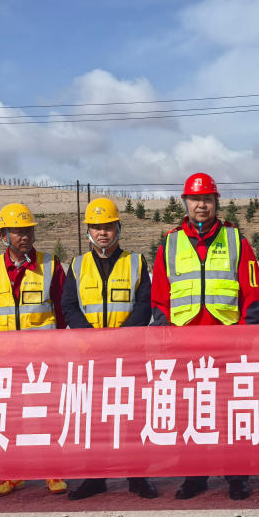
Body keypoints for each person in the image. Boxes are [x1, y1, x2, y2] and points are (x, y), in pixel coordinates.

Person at [150, 173, 259, 501]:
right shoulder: (169, 244)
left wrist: (243, 340)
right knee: (191, 412)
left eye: (207, 199)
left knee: (233, 411)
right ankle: (195, 475)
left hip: (229, 349)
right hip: (186, 350)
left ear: (216, 202)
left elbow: (255, 297)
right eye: (195, 199)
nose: (201, 205)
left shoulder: (236, 241)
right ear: (185, 203)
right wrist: (168, 338)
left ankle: (237, 476)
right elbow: (159, 299)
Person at [61, 198, 159, 501]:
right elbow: (69, 306)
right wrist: (92, 338)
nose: (102, 232)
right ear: (88, 230)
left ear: (118, 228)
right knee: (95, 419)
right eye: (96, 227)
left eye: (108, 226)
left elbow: (145, 304)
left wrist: (122, 338)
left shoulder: (136, 262)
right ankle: (95, 478)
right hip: (91, 357)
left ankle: (138, 477)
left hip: (129, 356)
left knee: (132, 417)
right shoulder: (77, 266)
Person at [0, 202, 69, 497]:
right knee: (9, 416)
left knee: (45, 415)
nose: (25, 236)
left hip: (42, 360)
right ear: (3, 235)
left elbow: (61, 310)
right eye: (18, 231)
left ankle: (53, 472)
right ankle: (12, 474)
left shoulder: (50, 265)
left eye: (28, 230)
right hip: (6, 361)